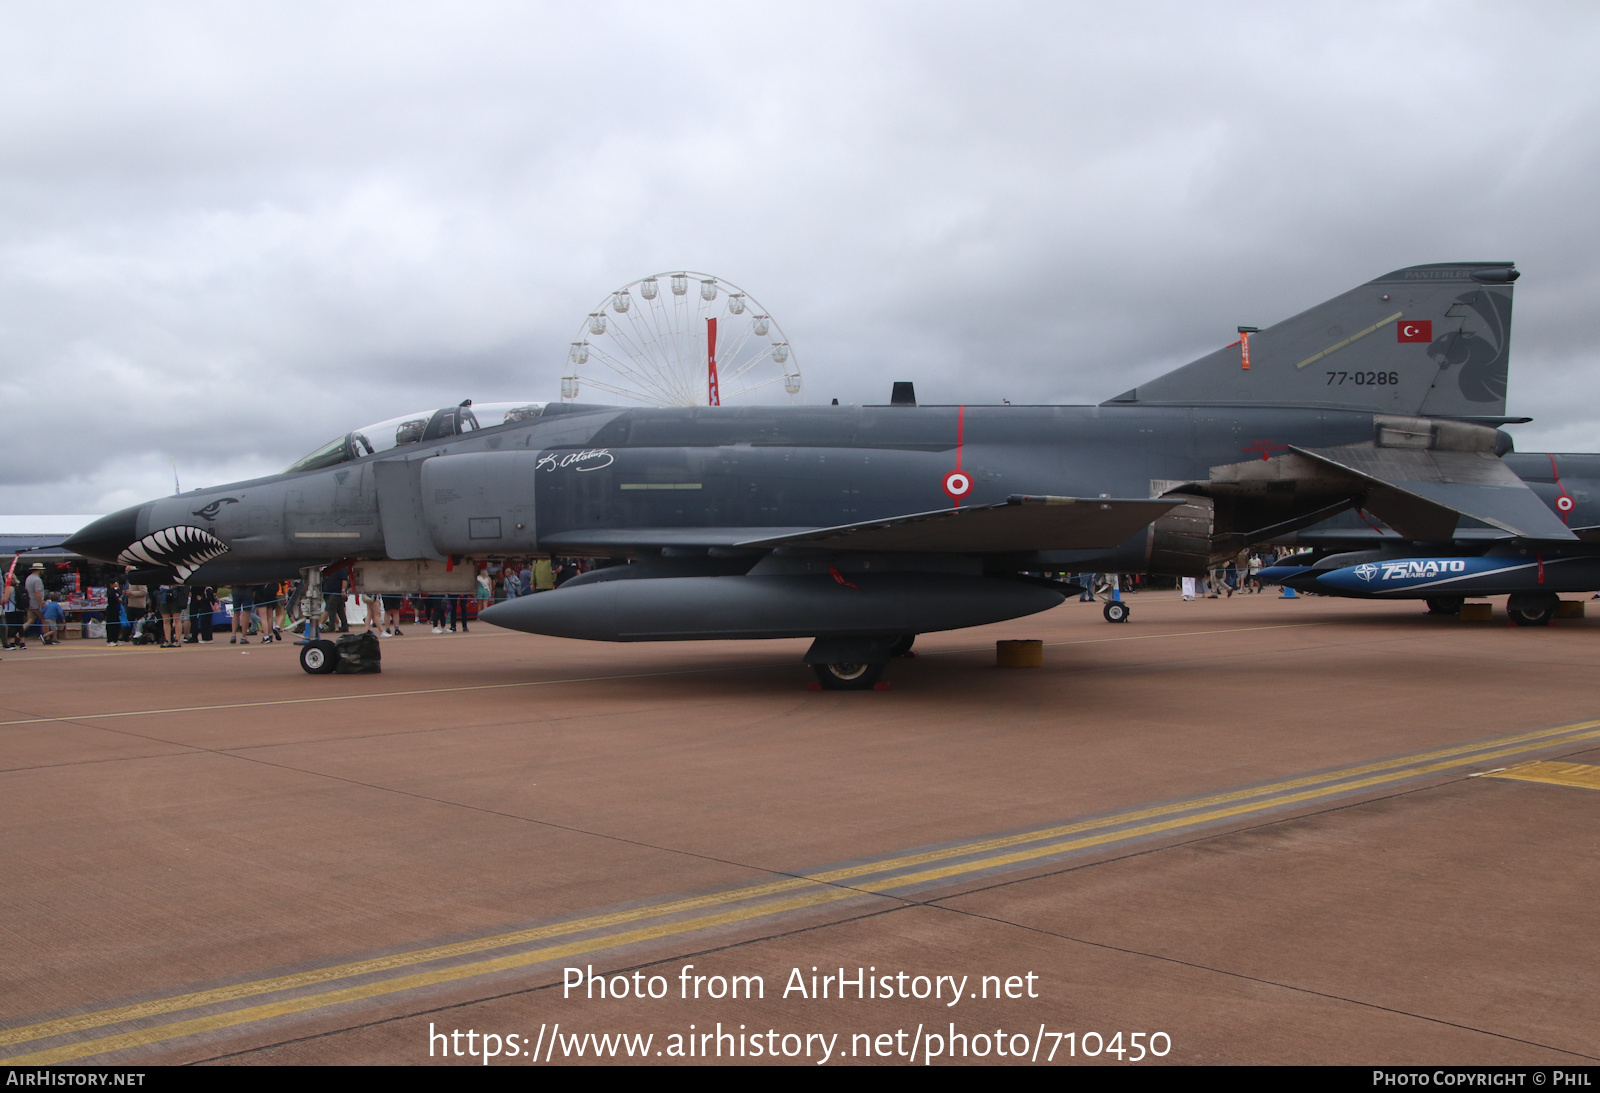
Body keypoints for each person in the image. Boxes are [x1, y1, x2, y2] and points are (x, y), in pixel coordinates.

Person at [161, 583, 189, 648]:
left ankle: (177, 640)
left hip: (175, 593)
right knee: (166, 620)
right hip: (164, 593)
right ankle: (167, 640)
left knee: (176, 619)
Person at [25, 562, 46, 640]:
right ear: (39, 570)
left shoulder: (28, 578)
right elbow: (37, 592)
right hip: (36, 603)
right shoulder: (37, 580)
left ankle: (18, 634)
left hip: (29, 602)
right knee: (44, 620)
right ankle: (45, 636)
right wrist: (41, 603)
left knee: (30, 620)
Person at [103, 576, 125, 645]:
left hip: (117, 610)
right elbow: (111, 596)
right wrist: (115, 590)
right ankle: (110, 640)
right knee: (111, 626)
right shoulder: (109, 591)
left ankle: (116, 639)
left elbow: (119, 595)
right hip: (111, 610)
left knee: (117, 625)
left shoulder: (116, 591)